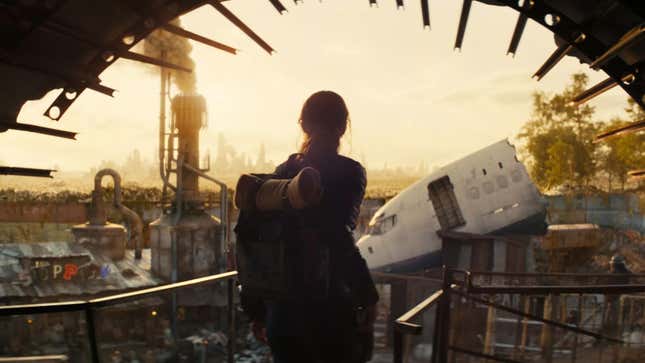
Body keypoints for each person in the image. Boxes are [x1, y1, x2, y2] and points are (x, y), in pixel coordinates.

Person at [240, 90, 379, 363]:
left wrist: (258, 312)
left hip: (281, 314)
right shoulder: (349, 172)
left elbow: (257, 243)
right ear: (342, 127)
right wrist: (367, 295)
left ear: (303, 124)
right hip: (329, 313)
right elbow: (337, 238)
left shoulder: (279, 175)